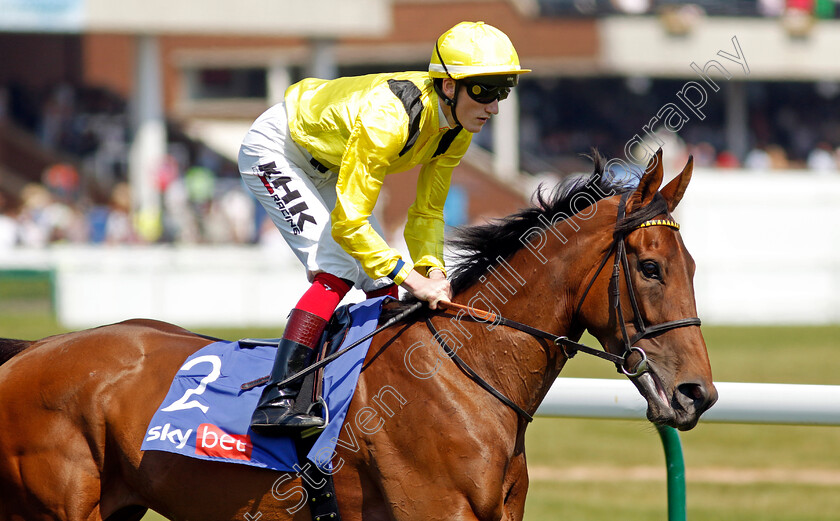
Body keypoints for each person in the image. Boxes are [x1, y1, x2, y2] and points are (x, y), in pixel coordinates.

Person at [238, 21, 529, 434]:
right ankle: (277, 398)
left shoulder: (457, 132)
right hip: (278, 149)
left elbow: (427, 213)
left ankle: (371, 386)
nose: (494, 107)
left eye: (503, 90)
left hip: (328, 160)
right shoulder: (388, 117)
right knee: (339, 264)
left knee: (379, 278)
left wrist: (433, 272)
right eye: (484, 91)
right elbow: (349, 222)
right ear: (448, 87)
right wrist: (411, 279)